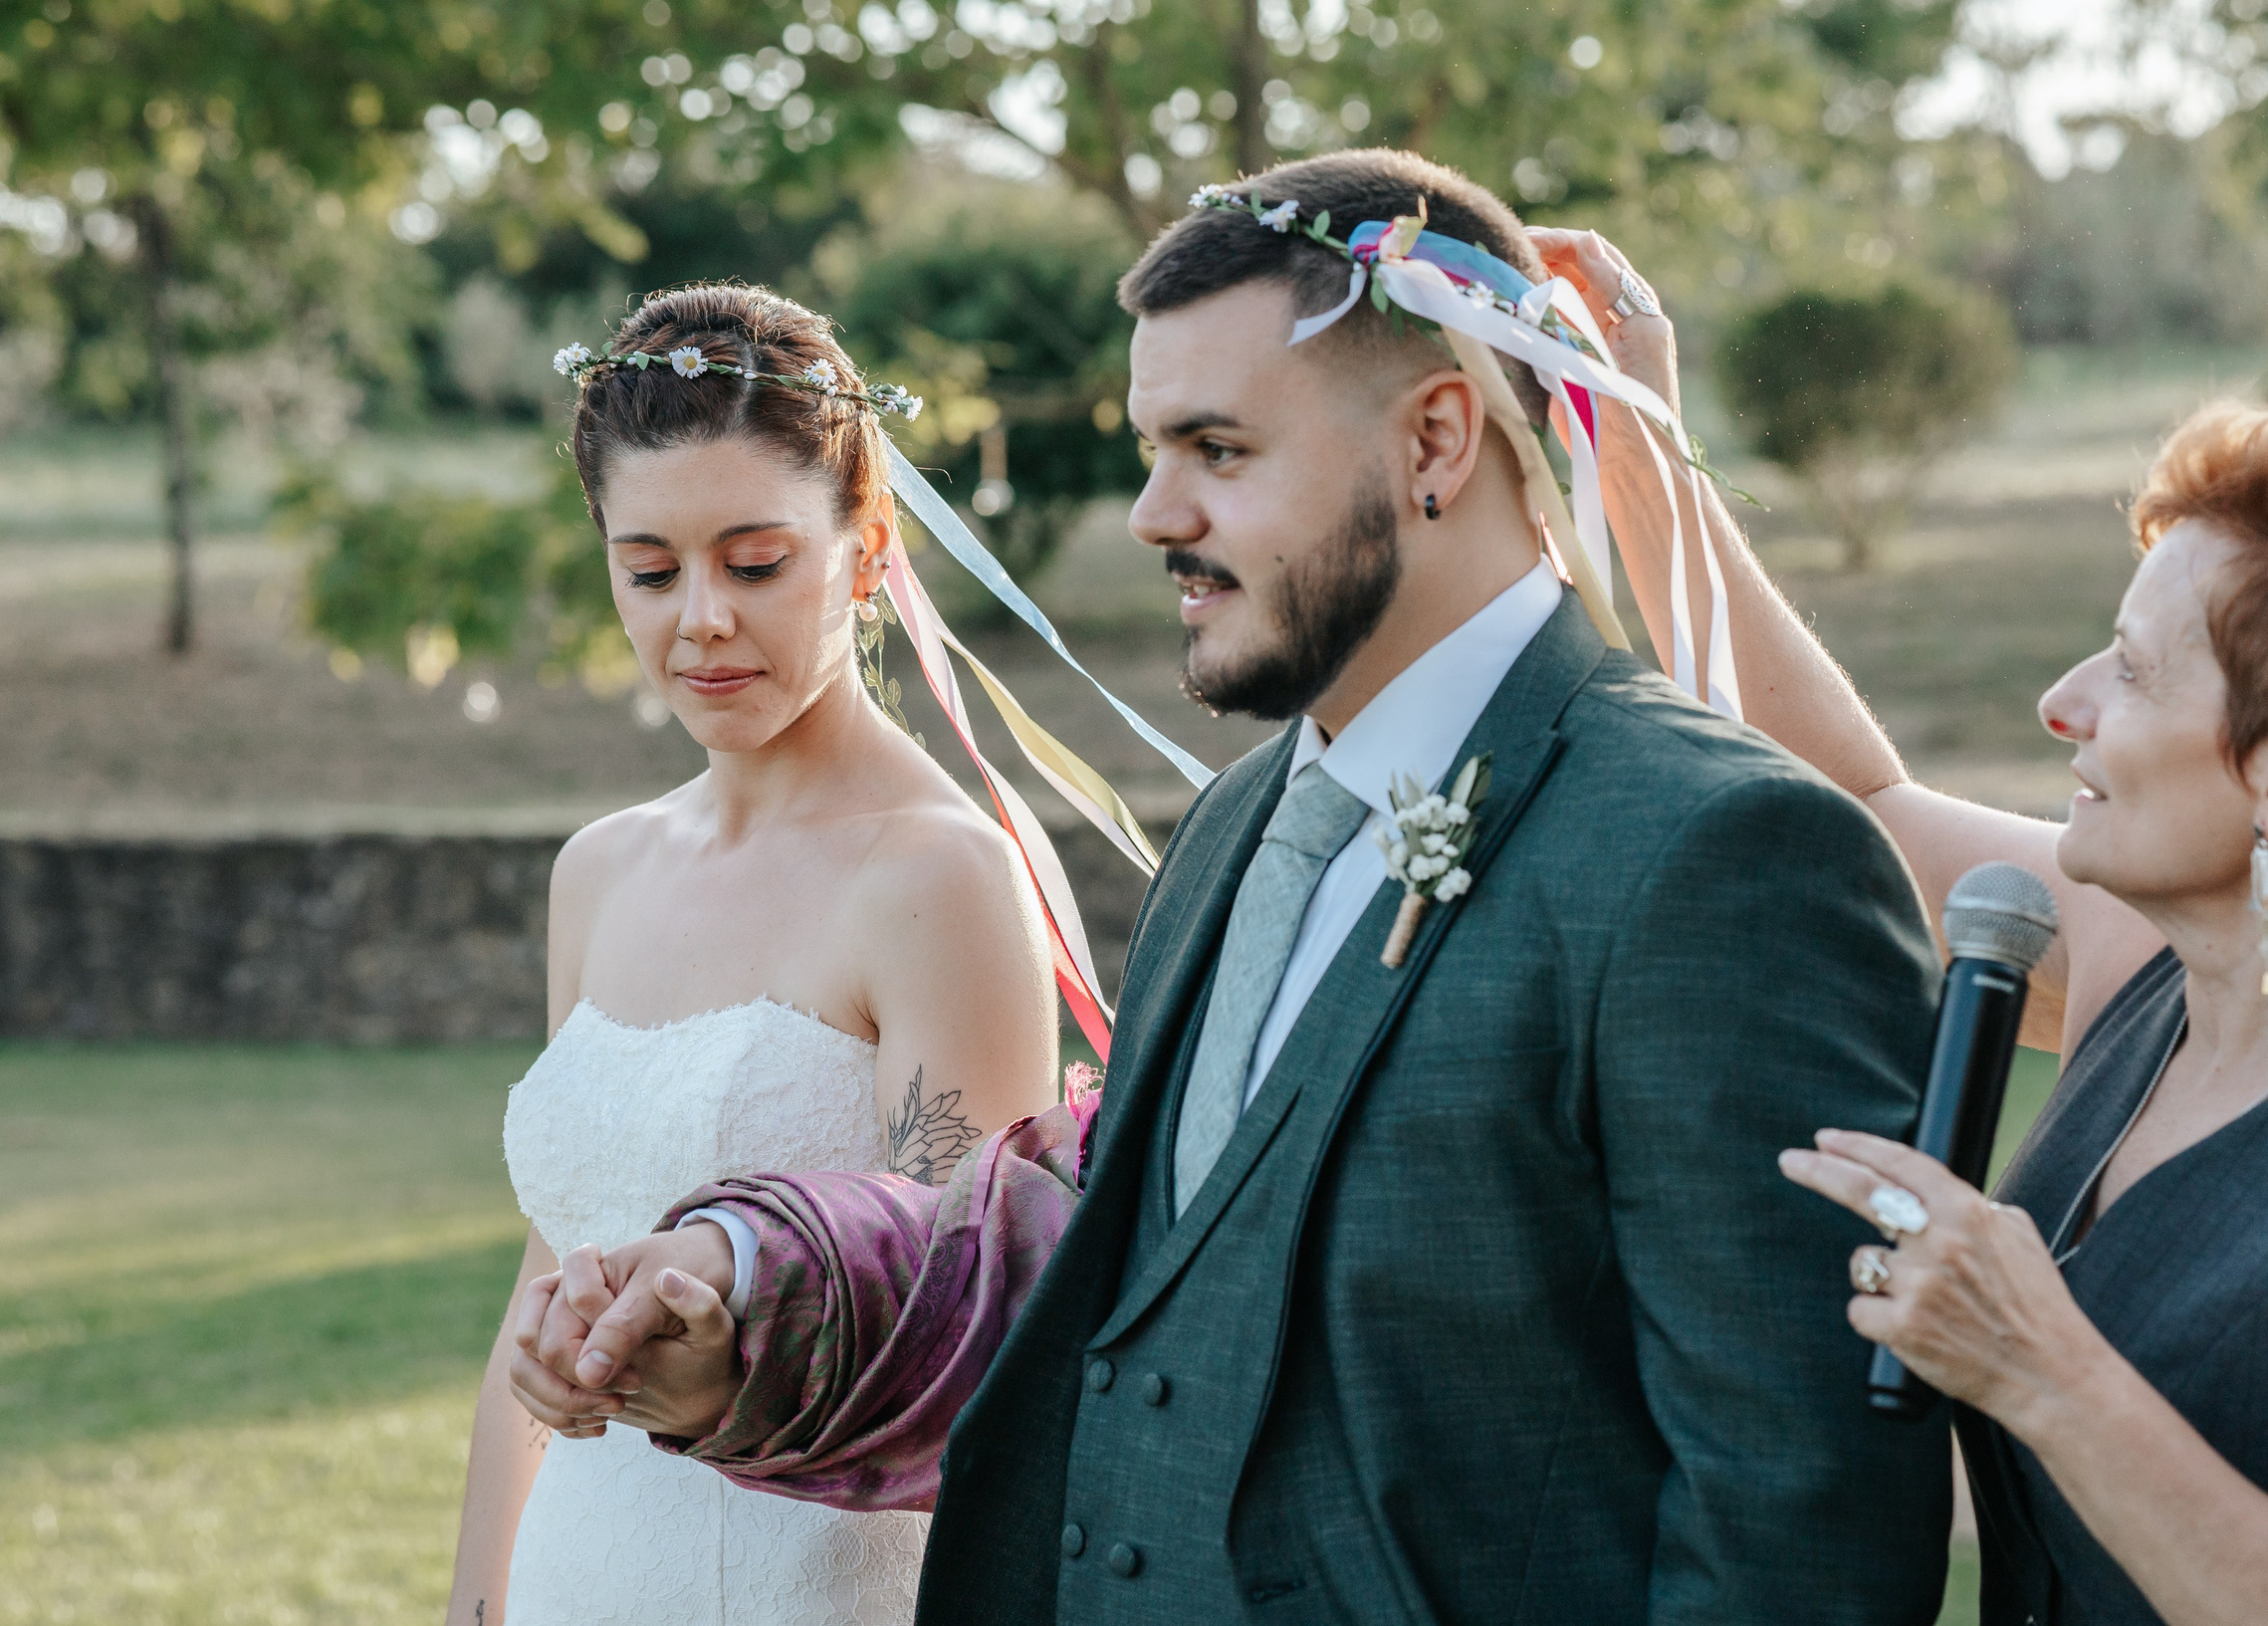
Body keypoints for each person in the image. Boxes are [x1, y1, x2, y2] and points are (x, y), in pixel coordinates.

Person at [507, 148, 1954, 1623]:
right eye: (1152, 450)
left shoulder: (1716, 856)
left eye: (1218, 450)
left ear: (1437, 441)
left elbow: (1794, 1523)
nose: (1151, 515)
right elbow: (1060, 1252)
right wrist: (735, 1284)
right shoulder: (1235, 833)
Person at [1534, 226, 2268, 1626]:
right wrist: (1635, 435)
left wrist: (2039, 1369)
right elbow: (1855, 799)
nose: (2062, 703)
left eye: (2131, 670)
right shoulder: (2167, 964)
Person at [444, 284, 1057, 1626]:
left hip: (812, 1582)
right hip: (579, 1570)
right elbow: (544, 1274)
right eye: (650, 570)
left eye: (756, 561)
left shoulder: (937, 877)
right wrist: (480, 1593)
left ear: (867, 542)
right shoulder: (596, 870)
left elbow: (974, 1326)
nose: (701, 619)